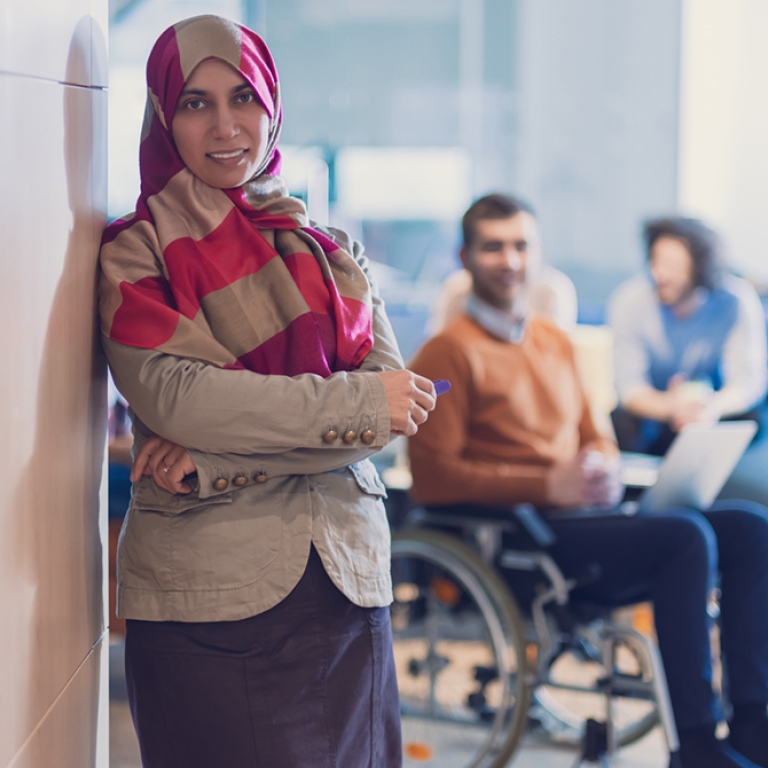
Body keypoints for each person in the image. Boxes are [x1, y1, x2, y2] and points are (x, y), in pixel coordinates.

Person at [98, 15, 437, 768]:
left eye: (243, 97)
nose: (226, 126)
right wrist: (348, 408)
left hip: (349, 581)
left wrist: (219, 459)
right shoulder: (136, 249)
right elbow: (180, 400)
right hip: (213, 594)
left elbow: (391, 408)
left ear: (273, 105)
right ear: (162, 114)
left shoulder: (332, 250)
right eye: (195, 103)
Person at [408, 192, 768, 768]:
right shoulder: (445, 354)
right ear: (465, 257)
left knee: (749, 527)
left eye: (521, 245)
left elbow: (593, 431)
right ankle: (695, 744)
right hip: (526, 539)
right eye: (493, 247)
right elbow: (433, 478)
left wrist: (600, 462)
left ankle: (754, 727)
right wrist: (545, 484)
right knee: (684, 537)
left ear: (538, 254)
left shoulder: (554, 341)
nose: (510, 260)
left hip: (587, 518)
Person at [608, 216, 767, 455]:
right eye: (655, 261)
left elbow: (749, 381)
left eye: (672, 265)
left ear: (700, 268)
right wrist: (672, 407)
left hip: (710, 406)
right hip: (655, 411)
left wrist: (710, 407)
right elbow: (629, 388)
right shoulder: (630, 300)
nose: (660, 274)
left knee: (753, 419)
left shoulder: (737, 300)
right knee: (620, 423)